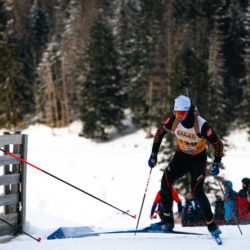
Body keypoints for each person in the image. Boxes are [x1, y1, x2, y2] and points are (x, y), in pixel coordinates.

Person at [147, 95, 223, 236]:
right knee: (165, 182)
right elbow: (159, 132)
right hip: (181, 158)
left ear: (188, 111)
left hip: (198, 160)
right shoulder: (174, 121)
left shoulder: (201, 125)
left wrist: (217, 162)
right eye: (177, 113)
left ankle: (212, 224)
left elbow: (218, 144)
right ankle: (168, 221)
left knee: (197, 191)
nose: (179, 117)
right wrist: (153, 154)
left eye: (182, 113)